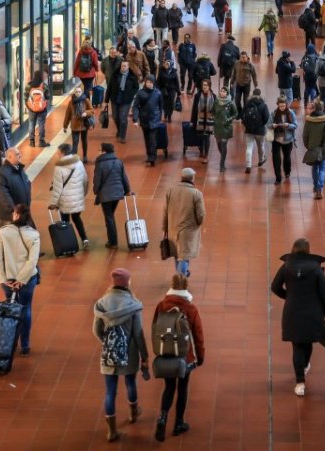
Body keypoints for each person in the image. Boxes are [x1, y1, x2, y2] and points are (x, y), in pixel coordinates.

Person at [271, 238, 325, 397]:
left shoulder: (286, 266)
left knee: (297, 345)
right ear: (308, 251)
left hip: (292, 311)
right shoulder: (316, 269)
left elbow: (275, 286)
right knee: (308, 342)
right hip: (312, 311)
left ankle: (300, 383)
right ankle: (305, 365)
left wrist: (288, 296)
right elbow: (324, 293)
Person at [93, 268, 149, 442]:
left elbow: (96, 330)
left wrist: (107, 342)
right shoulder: (134, 304)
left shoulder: (101, 303)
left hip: (109, 353)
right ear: (127, 283)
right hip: (130, 353)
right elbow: (138, 334)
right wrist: (144, 356)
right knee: (130, 383)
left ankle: (111, 431)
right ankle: (133, 414)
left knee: (110, 392)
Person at [151, 274, 205, 441]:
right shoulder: (190, 308)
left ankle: (163, 417)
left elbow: (154, 328)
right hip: (184, 357)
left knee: (169, 388)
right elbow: (198, 335)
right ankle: (179, 423)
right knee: (182, 389)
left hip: (166, 354)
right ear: (186, 287)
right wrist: (200, 356)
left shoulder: (161, 305)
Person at [0, 204, 42, 356]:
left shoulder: (4, 233)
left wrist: (3, 279)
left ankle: (9, 342)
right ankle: (25, 346)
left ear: (16, 215)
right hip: (27, 280)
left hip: (8, 279)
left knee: (10, 309)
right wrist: (22, 279)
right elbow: (32, 261)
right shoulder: (34, 235)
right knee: (26, 308)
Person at [164, 168, 205, 278]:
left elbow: (165, 211)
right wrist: (197, 223)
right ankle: (181, 278)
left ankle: (183, 273)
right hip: (188, 230)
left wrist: (165, 227)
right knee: (184, 255)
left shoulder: (171, 190)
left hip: (173, 227)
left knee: (178, 254)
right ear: (192, 178)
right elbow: (200, 215)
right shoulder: (196, 194)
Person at [49, 143, 91, 249]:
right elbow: (85, 180)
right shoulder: (79, 163)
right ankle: (84, 238)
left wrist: (53, 203)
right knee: (77, 218)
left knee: (65, 222)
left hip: (65, 199)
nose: (57, 154)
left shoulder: (59, 167)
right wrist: (83, 193)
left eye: (58, 152)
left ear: (62, 152)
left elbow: (57, 187)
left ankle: (69, 242)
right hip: (78, 196)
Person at [93, 143, 131, 249]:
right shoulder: (118, 161)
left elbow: (97, 180)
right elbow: (124, 177)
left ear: (104, 151)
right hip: (118, 193)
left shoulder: (100, 164)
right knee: (110, 215)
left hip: (105, 195)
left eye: (100, 150)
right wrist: (127, 190)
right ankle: (112, 239)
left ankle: (113, 241)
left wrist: (96, 191)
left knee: (109, 217)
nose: (98, 151)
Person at [302, 100, 325, 200]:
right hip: (324, 148)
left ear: (314, 108)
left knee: (314, 167)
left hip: (313, 147)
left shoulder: (309, 121)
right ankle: (319, 188)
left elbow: (305, 135)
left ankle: (315, 185)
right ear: (323, 108)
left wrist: (308, 145)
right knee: (322, 168)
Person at [0, 147, 31, 227]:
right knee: (8, 237)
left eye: (19, 153)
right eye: (17, 154)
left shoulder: (19, 168)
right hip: (9, 216)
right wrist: (13, 210)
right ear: (10, 157)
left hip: (20, 213)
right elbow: (3, 195)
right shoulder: (2, 173)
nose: (20, 156)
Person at [132, 76, 164, 166]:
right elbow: (136, 107)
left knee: (152, 138)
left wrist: (160, 117)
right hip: (144, 119)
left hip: (155, 119)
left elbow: (161, 106)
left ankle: (152, 157)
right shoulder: (140, 93)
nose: (149, 84)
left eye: (150, 82)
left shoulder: (158, 93)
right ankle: (149, 155)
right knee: (147, 139)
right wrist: (135, 119)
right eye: (147, 82)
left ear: (153, 83)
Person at [269, 96, 297, 186]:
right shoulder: (274, 113)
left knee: (287, 158)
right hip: (276, 139)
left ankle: (287, 171)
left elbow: (295, 125)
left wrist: (288, 125)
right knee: (276, 159)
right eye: (280, 106)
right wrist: (272, 125)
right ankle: (278, 177)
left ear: (286, 105)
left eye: (283, 106)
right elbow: (268, 125)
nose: (282, 108)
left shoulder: (290, 113)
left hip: (287, 139)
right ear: (278, 105)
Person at [241, 88, 271, 174]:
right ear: (260, 95)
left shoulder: (248, 104)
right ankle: (261, 160)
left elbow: (242, 115)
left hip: (249, 129)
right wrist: (261, 124)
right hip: (260, 130)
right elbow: (267, 118)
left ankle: (248, 165)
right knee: (260, 146)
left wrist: (245, 124)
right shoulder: (263, 105)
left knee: (249, 147)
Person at [110, 61, 140, 143]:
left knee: (123, 118)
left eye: (125, 66)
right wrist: (106, 100)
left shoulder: (132, 76)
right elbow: (110, 86)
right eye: (122, 66)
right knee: (115, 117)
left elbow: (136, 87)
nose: (123, 67)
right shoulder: (115, 75)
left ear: (128, 66)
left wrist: (131, 94)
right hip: (115, 98)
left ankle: (122, 136)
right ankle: (119, 130)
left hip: (126, 100)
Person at [62, 81, 92, 161]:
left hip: (84, 124)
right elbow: (67, 115)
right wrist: (65, 126)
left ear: (81, 92)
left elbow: (91, 110)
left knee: (84, 141)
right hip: (75, 125)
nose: (78, 93)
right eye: (76, 92)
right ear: (74, 93)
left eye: (79, 92)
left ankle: (85, 156)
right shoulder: (71, 102)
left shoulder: (86, 100)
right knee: (75, 143)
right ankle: (74, 158)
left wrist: (86, 113)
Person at [211, 86, 238, 171]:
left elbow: (235, 113)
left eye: (224, 91)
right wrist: (213, 118)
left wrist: (228, 119)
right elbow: (213, 111)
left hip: (226, 127)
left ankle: (222, 165)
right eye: (221, 91)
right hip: (217, 127)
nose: (222, 93)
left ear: (227, 93)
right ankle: (223, 156)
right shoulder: (216, 102)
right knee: (219, 145)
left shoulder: (230, 103)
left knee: (223, 145)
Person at [190, 79, 217, 163]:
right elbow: (194, 109)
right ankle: (201, 150)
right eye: (203, 85)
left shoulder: (214, 96)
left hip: (209, 120)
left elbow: (215, 110)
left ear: (209, 86)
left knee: (207, 137)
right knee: (201, 136)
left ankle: (206, 154)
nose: (204, 87)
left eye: (206, 85)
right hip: (200, 120)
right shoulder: (197, 95)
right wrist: (192, 120)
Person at [24, 71, 50, 148]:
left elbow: (25, 97)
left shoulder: (29, 85)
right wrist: (43, 105)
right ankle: (41, 142)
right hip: (42, 109)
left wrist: (29, 106)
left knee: (31, 124)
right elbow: (48, 97)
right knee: (41, 125)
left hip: (31, 109)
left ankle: (32, 142)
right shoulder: (44, 85)